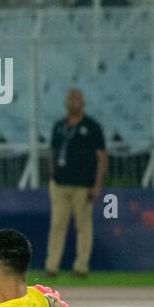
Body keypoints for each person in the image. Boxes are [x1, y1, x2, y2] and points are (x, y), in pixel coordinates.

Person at [46, 88, 106, 279]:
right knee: (57, 225)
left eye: (77, 98)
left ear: (83, 102)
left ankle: (81, 267)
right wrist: (52, 176)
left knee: (83, 226)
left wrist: (97, 185)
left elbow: (101, 157)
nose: (73, 102)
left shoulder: (92, 127)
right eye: (70, 98)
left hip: (83, 185)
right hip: (60, 184)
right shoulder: (59, 126)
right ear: (65, 102)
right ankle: (52, 266)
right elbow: (53, 152)